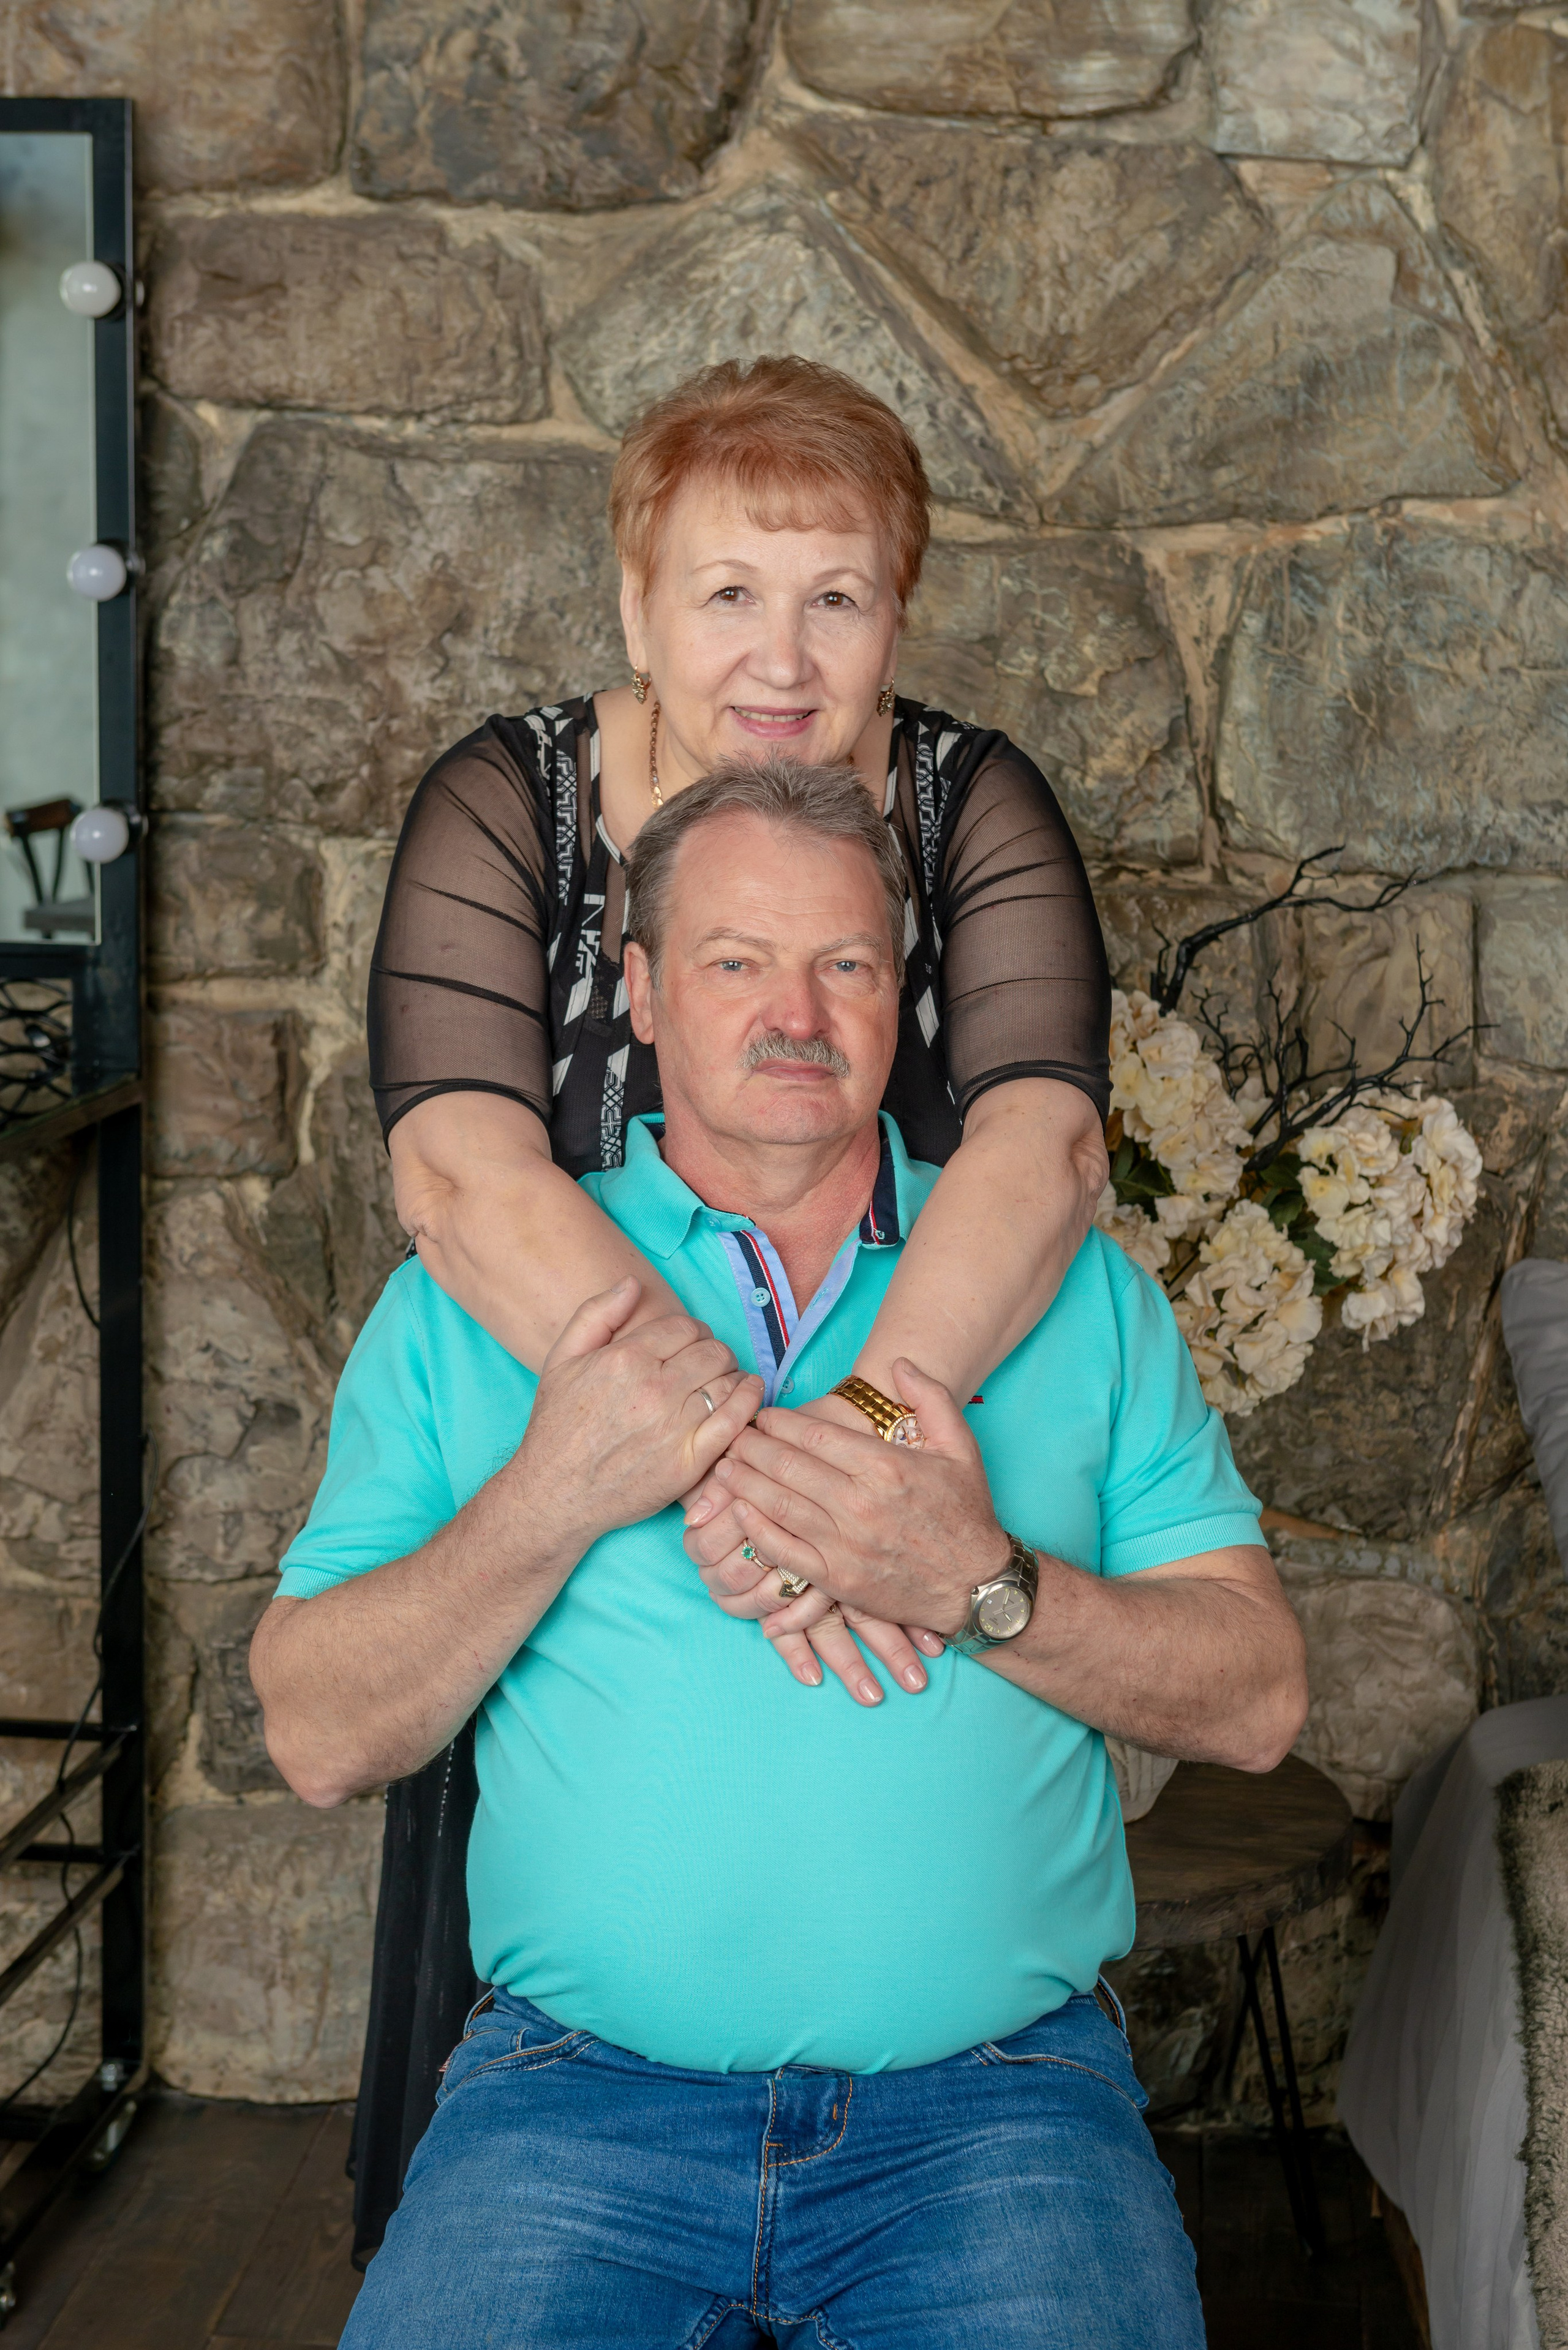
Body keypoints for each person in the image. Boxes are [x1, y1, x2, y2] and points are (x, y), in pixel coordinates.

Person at [253, 759, 1307, 2348]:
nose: (794, 1013)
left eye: (846, 965)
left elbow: (1258, 1702)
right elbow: (318, 1732)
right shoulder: (480, 1298)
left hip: (998, 2112)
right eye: (738, 961)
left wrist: (982, 1583)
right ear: (647, 992)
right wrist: (552, 1493)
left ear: (909, 991)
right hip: (576, 2106)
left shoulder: (1072, 1293)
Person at [351, 352, 1115, 2244]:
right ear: (636, 604)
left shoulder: (973, 802)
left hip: (908, 1485)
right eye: (728, 593)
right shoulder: (506, 803)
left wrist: (848, 1444)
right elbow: (459, 1171)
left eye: (836, 596)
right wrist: (702, 1452)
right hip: (595, 1510)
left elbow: (1045, 1155)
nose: (782, 654)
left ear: (898, 615)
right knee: (560, 2057)